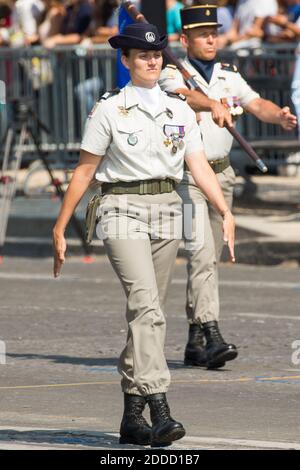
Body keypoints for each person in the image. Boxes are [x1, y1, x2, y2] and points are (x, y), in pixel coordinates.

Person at [52, 22, 235, 446]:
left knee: (148, 315)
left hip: (169, 210)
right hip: (120, 210)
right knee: (146, 307)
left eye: (156, 56)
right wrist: (60, 225)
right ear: (127, 61)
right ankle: (160, 406)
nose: (151, 62)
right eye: (142, 56)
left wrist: (223, 210)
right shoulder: (110, 109)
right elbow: (85, 170)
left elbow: (198, 164)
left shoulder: (179, 109)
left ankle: (131, 416)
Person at [159, 3, 297, 370]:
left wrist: (279, 116)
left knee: (210, 258)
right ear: (184, 38)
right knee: (202, 254)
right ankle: (213, 332)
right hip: (186, 177)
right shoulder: (171, 71)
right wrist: (211, 104)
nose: (211, 39)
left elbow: (256, 103)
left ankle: (194, 338)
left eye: (214, 32)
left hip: (222, 175)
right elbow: (184, 96)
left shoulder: (228, 74)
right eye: (203, 34)